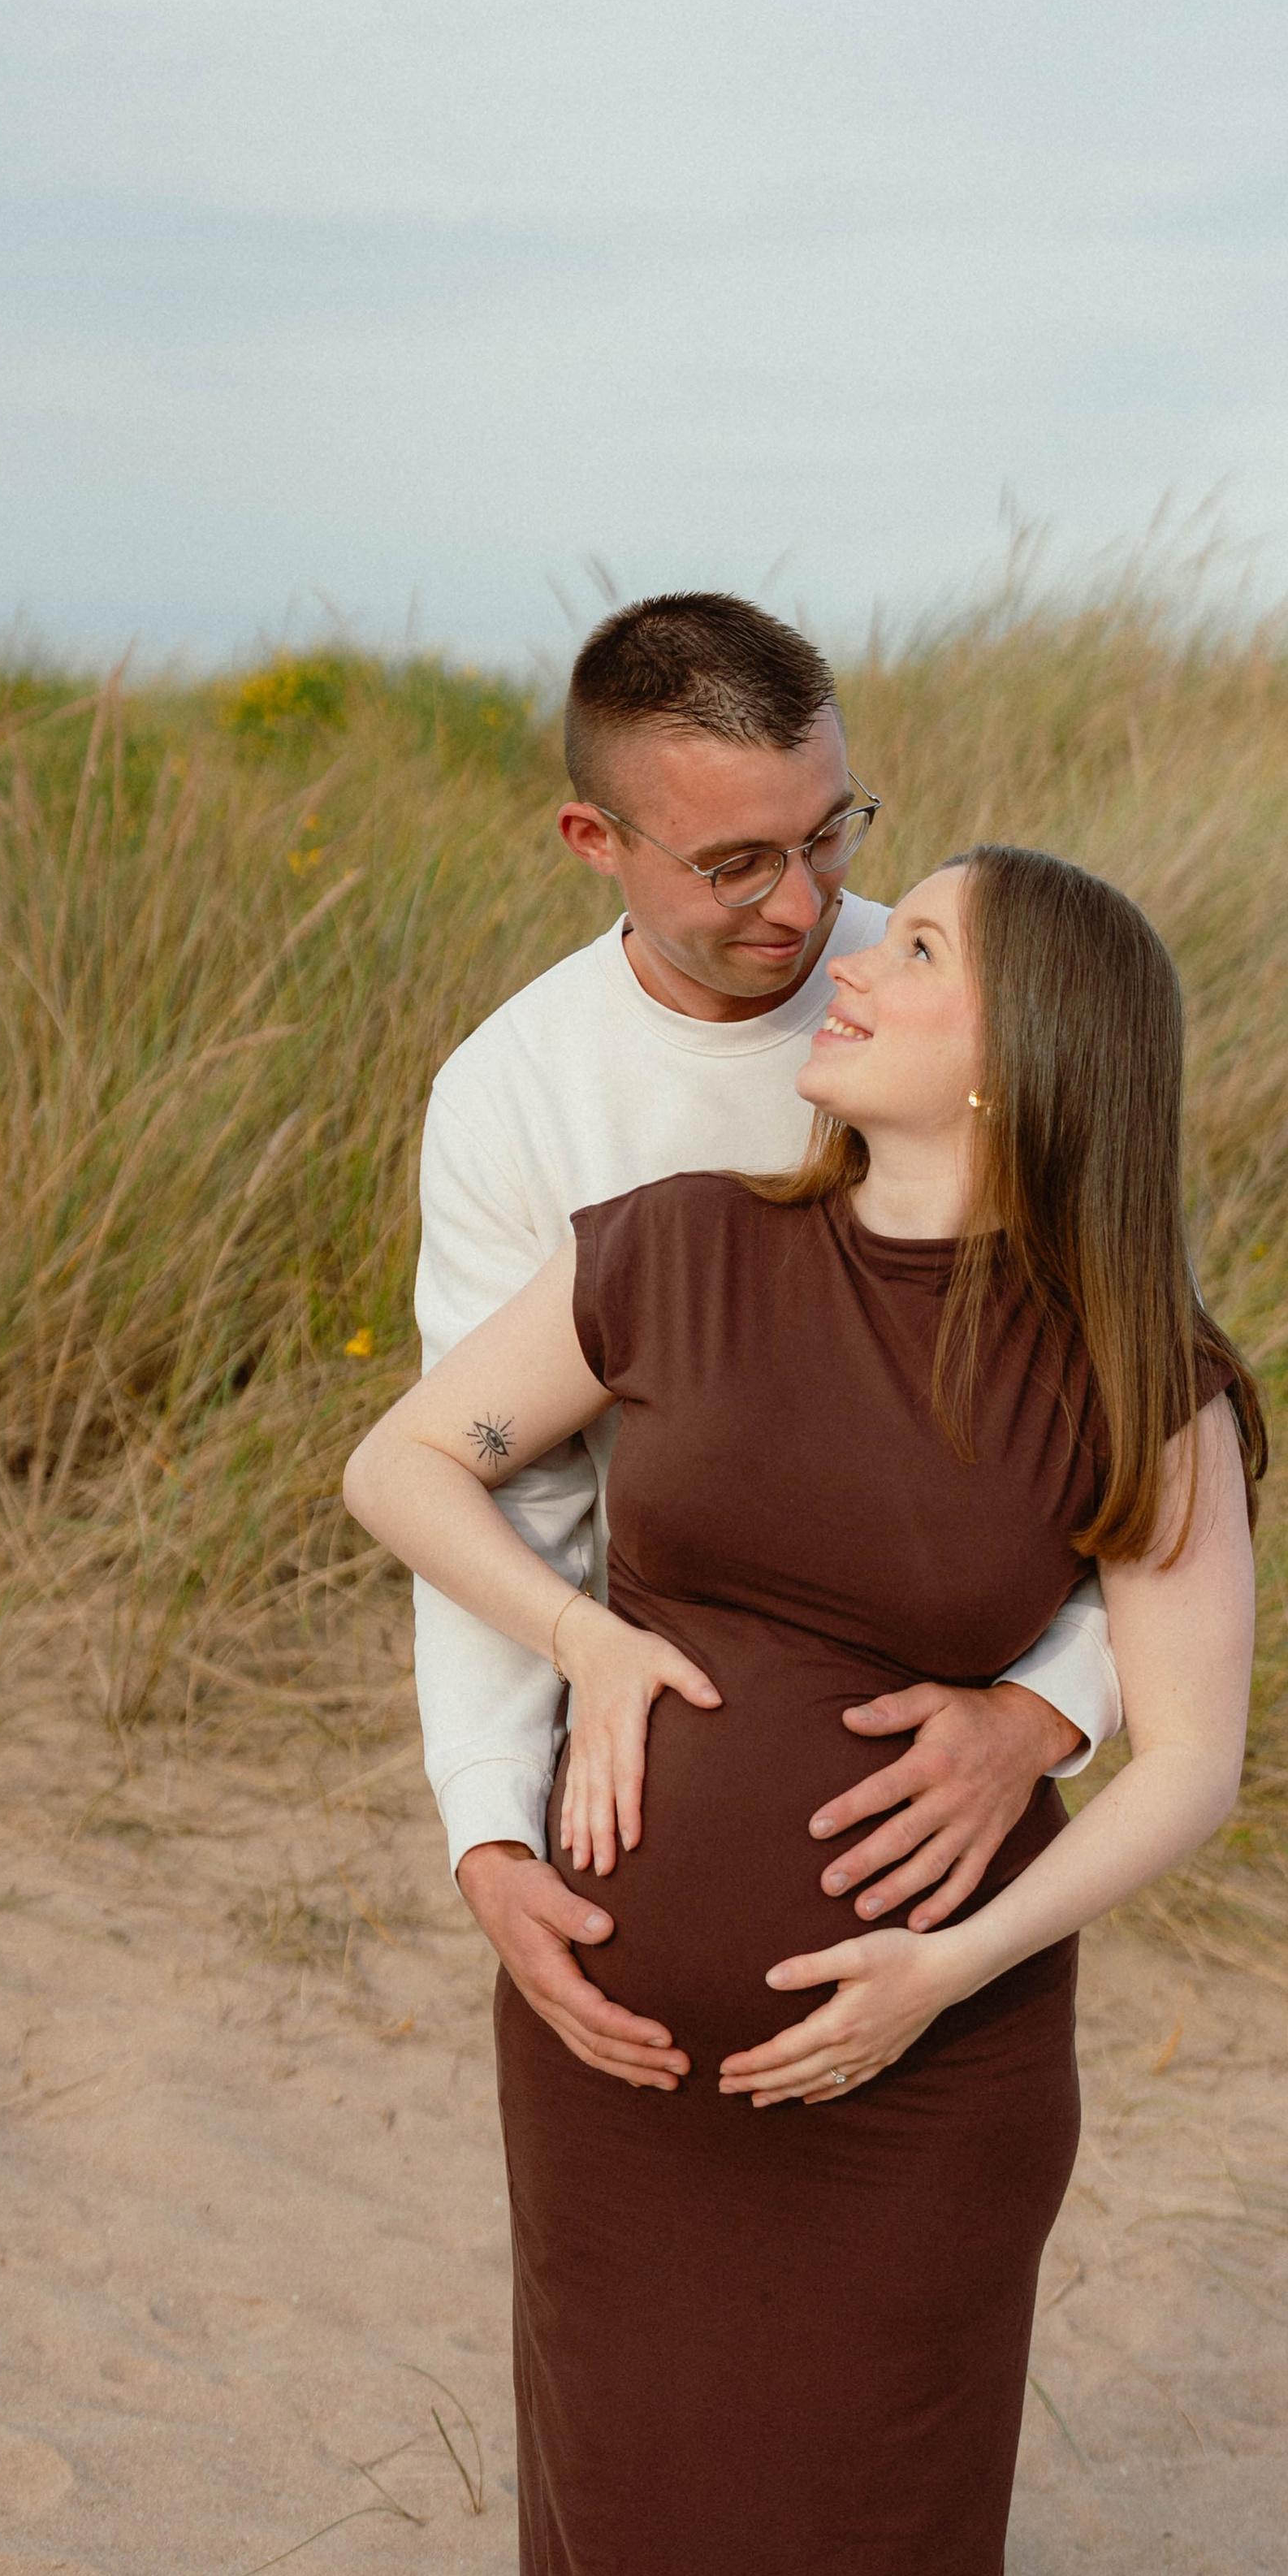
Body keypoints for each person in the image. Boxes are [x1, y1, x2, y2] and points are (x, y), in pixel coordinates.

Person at [347, 840, 1264, 2576]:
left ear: (1025, 1059)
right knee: (626, 2551)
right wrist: (583, 1643)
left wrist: (945, 1969)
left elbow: (1189, 1761)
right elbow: (406, 1466)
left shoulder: (1138, 1377)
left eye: (912, 947)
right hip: (613, 2081)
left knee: (868, 2564)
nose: (849, 958)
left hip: (921, 2092)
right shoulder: (671, 1244)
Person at [413, 592, 1127, 2094]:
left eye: (830, 835)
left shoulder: (966, 996)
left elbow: (1128, 1420)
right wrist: (488, 1823)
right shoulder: (514, 1098)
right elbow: (498, 1490)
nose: (808, 913)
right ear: (593, 843)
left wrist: (1048, 1706)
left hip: (939, 1946)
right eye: (737, 864)